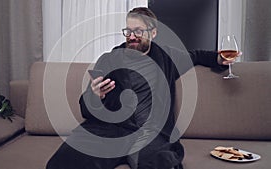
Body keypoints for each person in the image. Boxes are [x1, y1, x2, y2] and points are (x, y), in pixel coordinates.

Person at [47, 7, 236, 169]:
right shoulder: (108, 59)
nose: (132, 37)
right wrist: (95, 96)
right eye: (128, 31)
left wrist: (220, 59)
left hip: (150, 133)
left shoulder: (168, 57)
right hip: (111, 129)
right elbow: (86, 107)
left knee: (159, 162)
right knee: (64, 160)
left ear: (153, 33)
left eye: (138, 31)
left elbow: (197, 55)